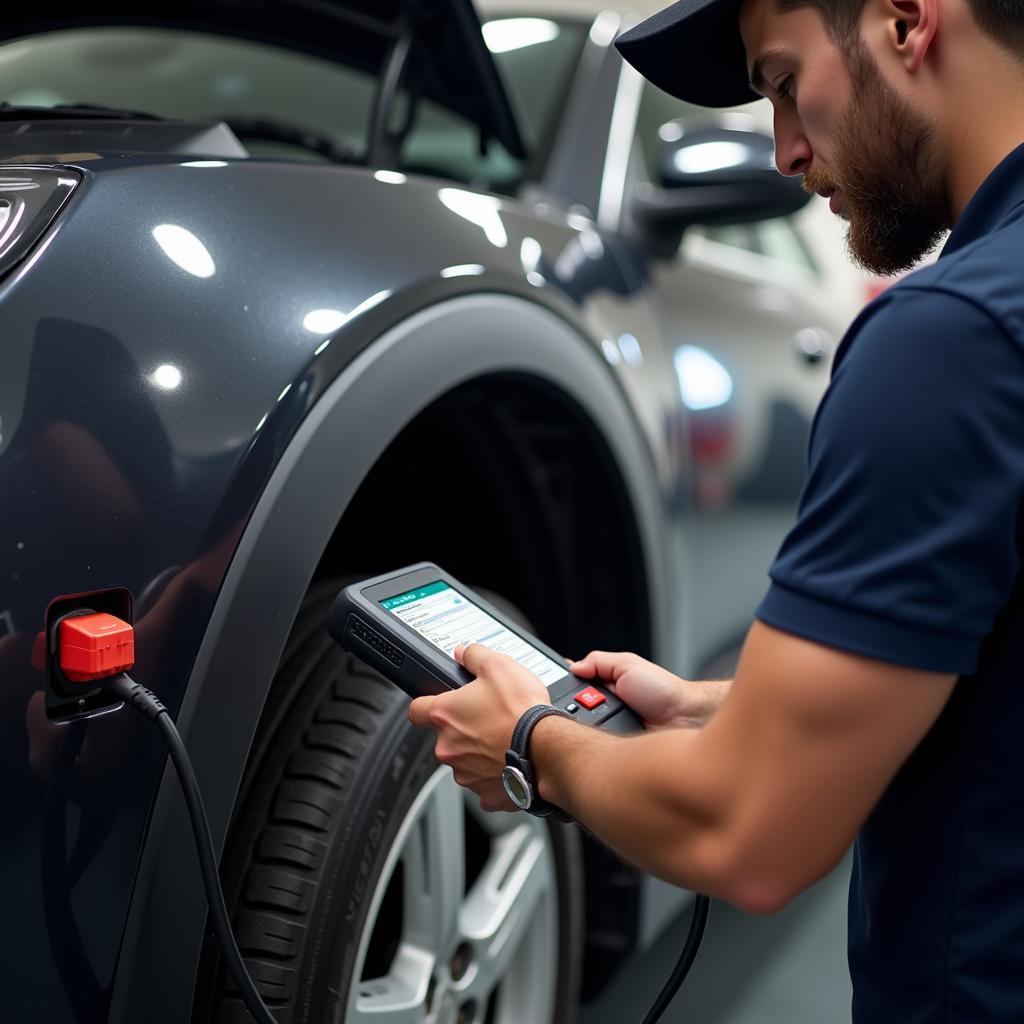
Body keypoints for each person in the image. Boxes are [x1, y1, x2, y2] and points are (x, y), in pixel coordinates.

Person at [409, 0, 1024, 1017]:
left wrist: (530, 743)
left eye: (782, 82)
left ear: (908, 21)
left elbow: (749, 834)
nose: (782, 151)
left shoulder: (950, 340)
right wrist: (720, 709)